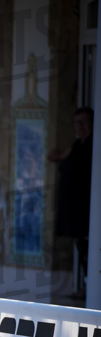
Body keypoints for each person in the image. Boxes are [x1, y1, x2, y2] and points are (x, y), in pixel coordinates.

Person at [48, 106, 94, 299]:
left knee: (88, 250)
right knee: (82, 248)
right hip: (75, 210)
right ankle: (86, 286)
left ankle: (89, 287)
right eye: (77, 122)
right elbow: (57, 157)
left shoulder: (94, 145)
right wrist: (55, 154)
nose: (81, 126)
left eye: (85, 121)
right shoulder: (78, 145)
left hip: (87, 209)